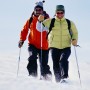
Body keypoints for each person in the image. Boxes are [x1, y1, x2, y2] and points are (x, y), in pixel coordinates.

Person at [37, 5, 78, 82]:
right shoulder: (50, 21)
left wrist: (74, 39)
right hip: (54, 47)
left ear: (64, 13)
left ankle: (65, 78)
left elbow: (75, 32)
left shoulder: (69, 22)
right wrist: (39, 21)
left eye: (61, 12)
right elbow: (39, 28)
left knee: (63, 60)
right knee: (56, 64)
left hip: (66, 46)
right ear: (55, 13)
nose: (59, 14)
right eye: (58, 12)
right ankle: (58, 81)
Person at [18, 1, 52, 80]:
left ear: (42, 10)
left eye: (39, 10)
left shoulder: (47, 20)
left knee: (44, 64)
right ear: (34, 10)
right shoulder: (30, 20)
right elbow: (25, 30)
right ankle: (32, 76)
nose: (38, 11)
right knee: (32, 57)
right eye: (36, 10)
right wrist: (21, 40)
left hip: (44, 46)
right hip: (32, 44)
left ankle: (46, 78)